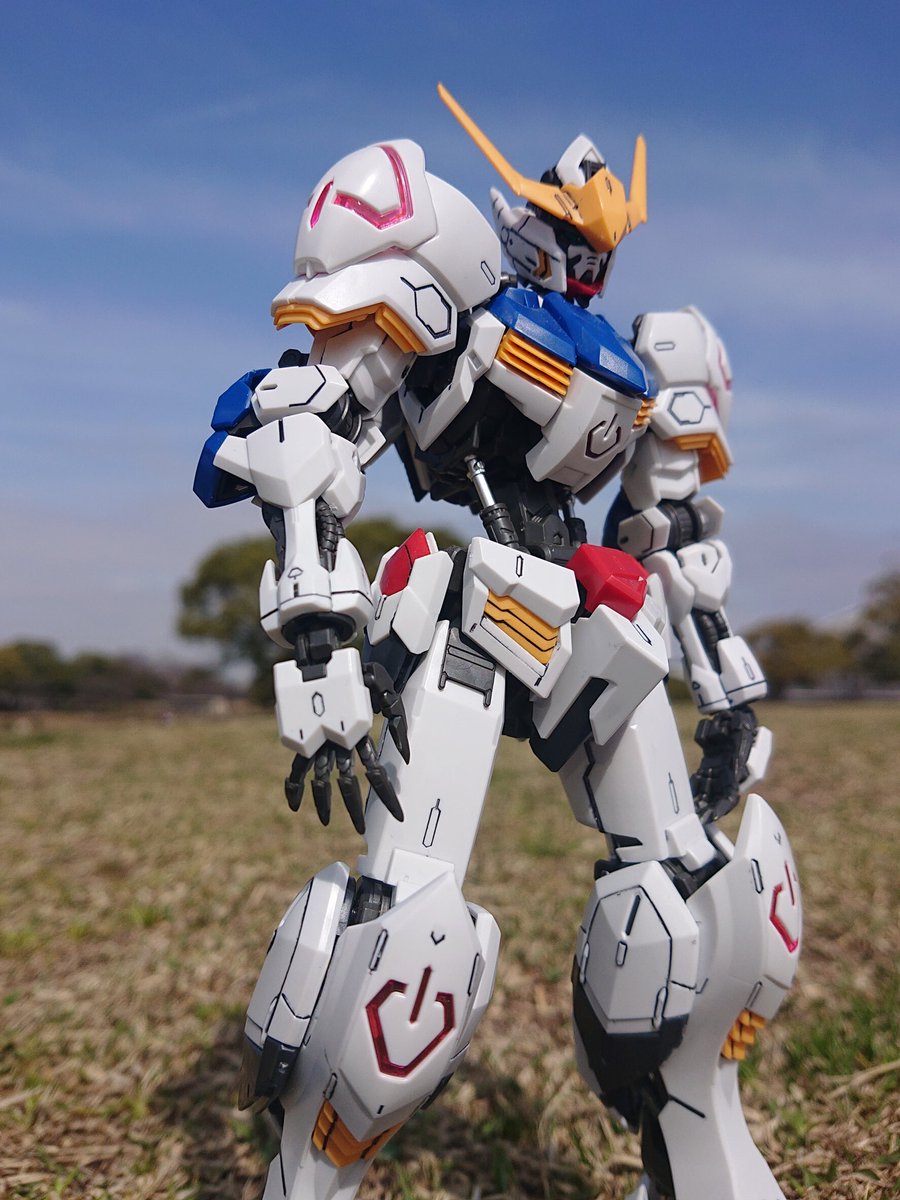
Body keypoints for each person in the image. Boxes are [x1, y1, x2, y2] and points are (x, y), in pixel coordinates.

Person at [194, 84, 801, 1200]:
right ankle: (309, 1177)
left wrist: (724, 688)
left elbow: (671, 533)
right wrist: (323, 645)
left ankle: (701, 1153)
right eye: (569, 233)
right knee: (408, 921)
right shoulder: (455, 286)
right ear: (525, 218)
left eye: (600, 244)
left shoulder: (638, 355)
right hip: (477, 614)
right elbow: (308, 428)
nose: (584, 259)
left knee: (697, 901)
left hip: (596, 620)